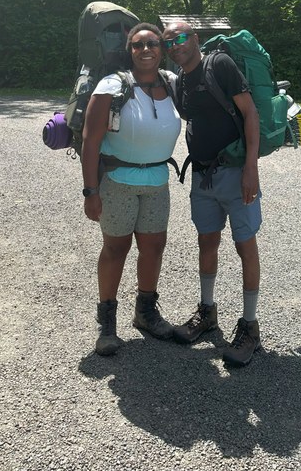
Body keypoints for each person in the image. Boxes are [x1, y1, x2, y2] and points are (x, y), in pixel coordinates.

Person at [161, 21, 262, 366]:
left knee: (245, 245)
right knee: (207, 241)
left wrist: (251, 167)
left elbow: (250, 113)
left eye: (181, 38)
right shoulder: (181, 80)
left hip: (235, 171)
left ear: (195, 39)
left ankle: (250, 327)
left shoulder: (219, 64)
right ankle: (207, 312)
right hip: (202, 175)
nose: (175, 45)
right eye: (169, 42)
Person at [81, 23, 181, 356]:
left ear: (161, 48)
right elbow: (90, 141)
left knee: (153, 248)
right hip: (117, 182)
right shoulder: (113, 85)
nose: (146, 50)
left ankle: (145, 313)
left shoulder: (172, 82)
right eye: (138, 45)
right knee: (116, 249)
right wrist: (90, 191)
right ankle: (107, 324)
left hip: (157, 182)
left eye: (152, 43)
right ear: (130, 51)